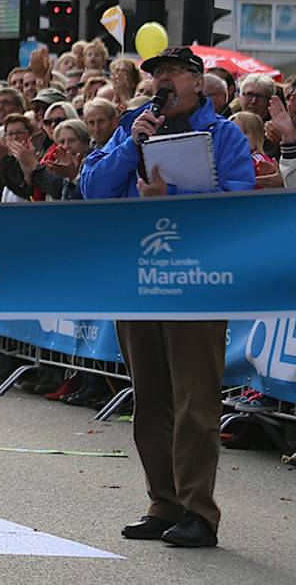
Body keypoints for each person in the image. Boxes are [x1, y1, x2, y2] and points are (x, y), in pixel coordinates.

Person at [78, 46, 254, 549]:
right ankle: (164, 501)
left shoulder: (225, 137)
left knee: (195, 400)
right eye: (157, 74)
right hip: (137, 280)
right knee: (150, 397)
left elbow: (239, 205)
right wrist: (130, 147)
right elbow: (93, 188)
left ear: (198, 83)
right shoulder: (134, 126)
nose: (165, 82)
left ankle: (200, 510)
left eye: (175, 73)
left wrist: (170, 199)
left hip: (196, 283)